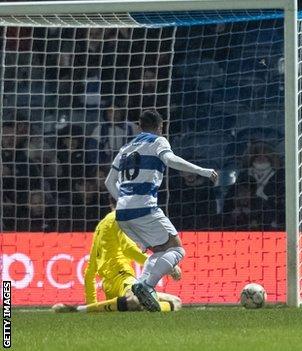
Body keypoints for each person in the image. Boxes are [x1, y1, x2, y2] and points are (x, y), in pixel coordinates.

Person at [105, 109, 217, 312]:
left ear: (139, 126)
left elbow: (108, 182)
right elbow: (171, 160)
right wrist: (202, 170)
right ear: (160, 126)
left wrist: (123, 200)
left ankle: (142, 285)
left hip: (122, 213)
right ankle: (146, 286)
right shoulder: (158, 141)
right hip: (144, 208)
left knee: (158, 251)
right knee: (176, 249)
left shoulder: (125, 149)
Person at [52, 198, 182, 313]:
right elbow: (128, 249)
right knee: (141, 301)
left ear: (110, 204)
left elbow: (90, 272)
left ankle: (87, 309)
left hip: (109, 287)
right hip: (122, 278)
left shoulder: (100, 227)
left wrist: (92, 304)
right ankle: (78, 310)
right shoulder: (119, 219)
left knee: (175, 302)